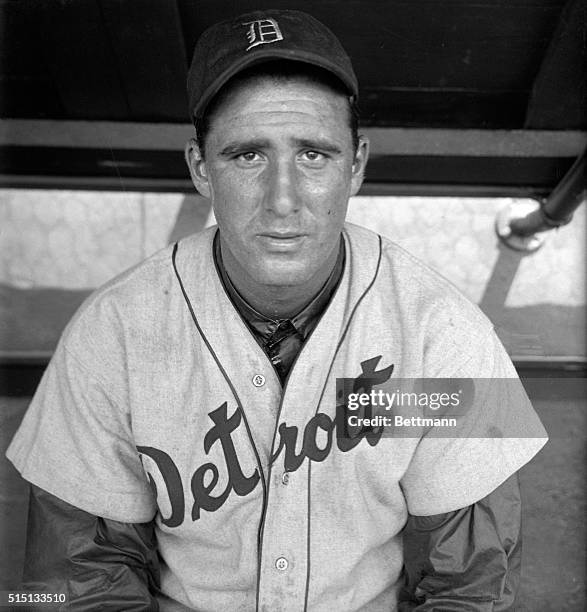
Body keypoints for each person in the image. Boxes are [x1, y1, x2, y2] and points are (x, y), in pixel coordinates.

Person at [7, 9, 547, 611]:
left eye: (314, 154)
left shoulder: (448, 334)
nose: (283, 200)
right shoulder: (109, 336)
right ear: (199, 168)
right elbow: (80, 580)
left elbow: (472, 584)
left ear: (358, 163)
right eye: (248, 156)